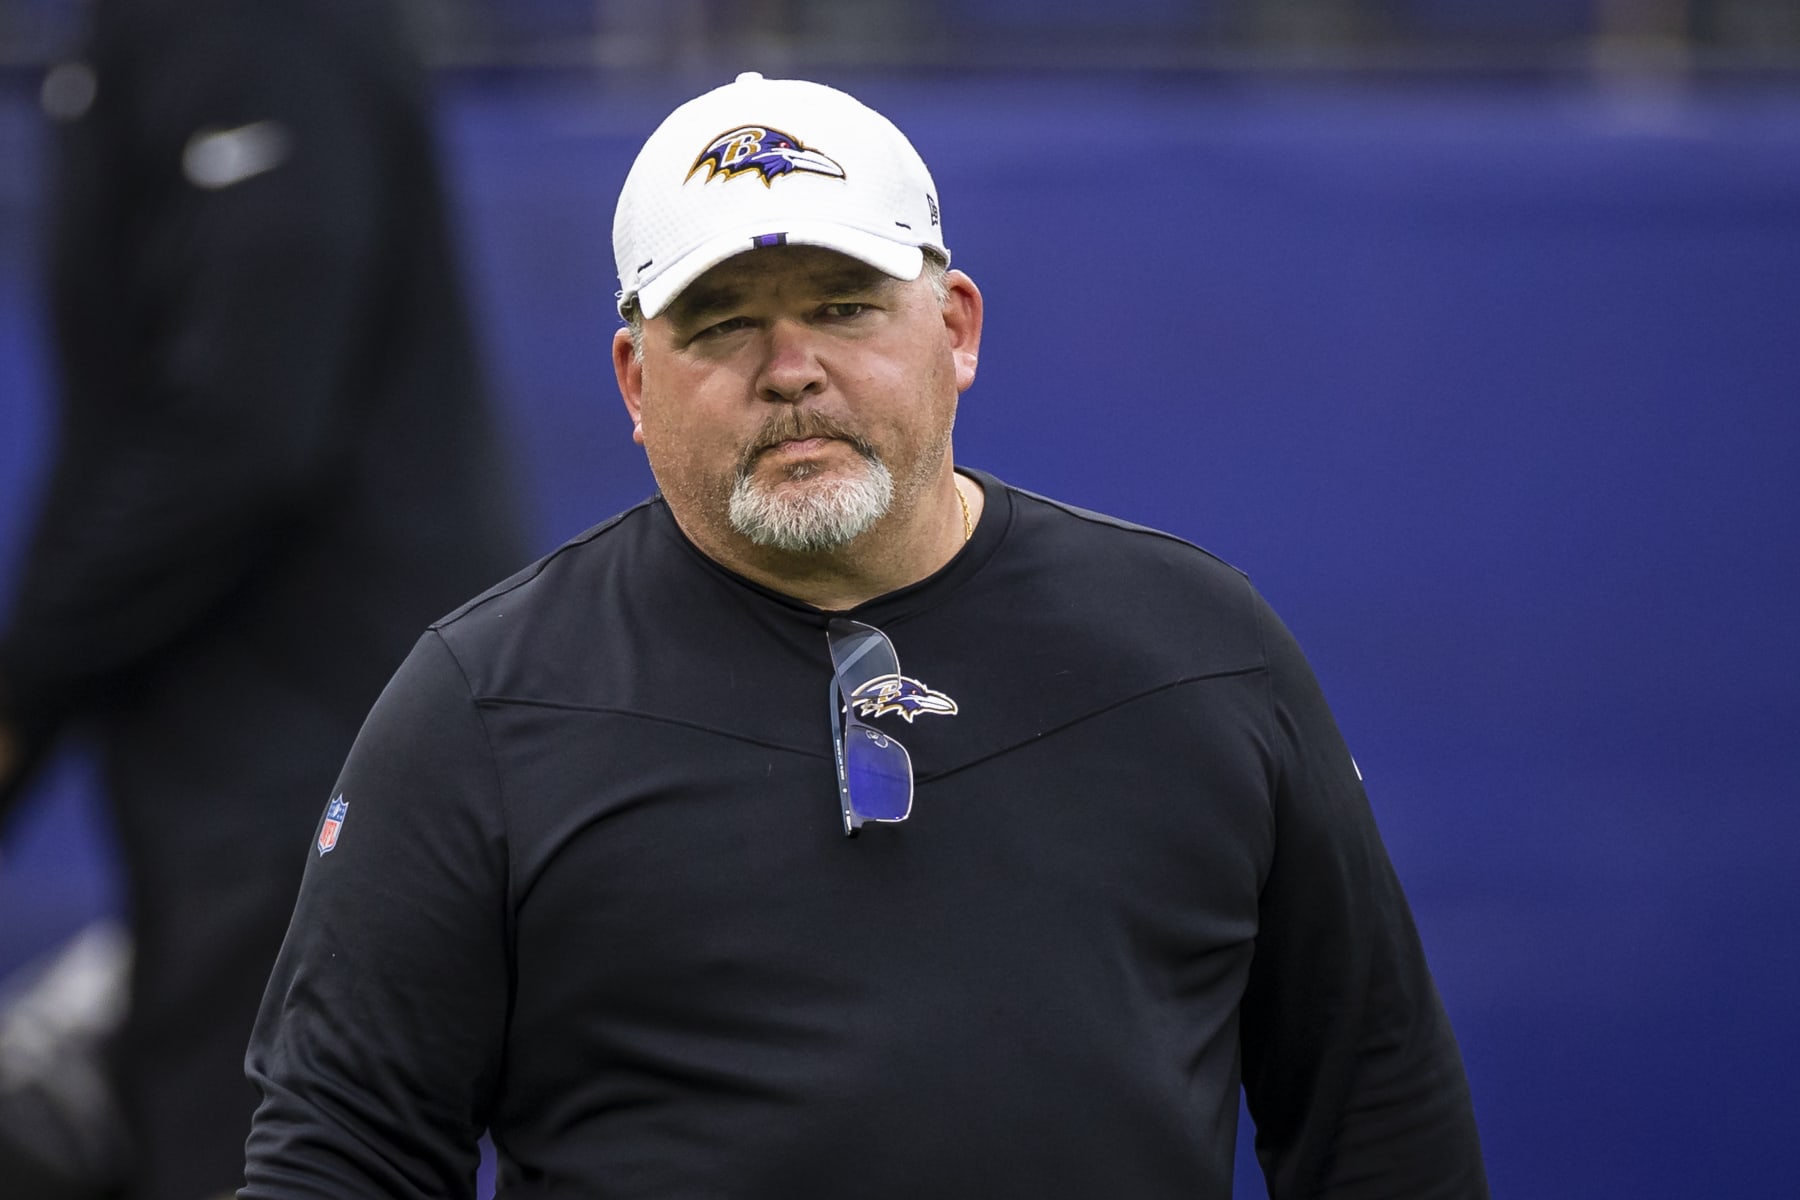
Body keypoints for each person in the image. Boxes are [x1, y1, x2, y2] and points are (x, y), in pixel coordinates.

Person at [241, 72, 1488, 1198]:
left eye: (844, 305)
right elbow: (343, 1162)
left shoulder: (1201, 650)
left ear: (954, 328)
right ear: (633, 380)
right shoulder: (484, 705)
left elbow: (1381, 1127)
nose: (790, 369)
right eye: (722, 322)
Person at [0, 1, 526, 1197]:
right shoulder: (135, 40)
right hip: (222, 774)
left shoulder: (267, 25)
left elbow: (239, 429)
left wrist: (25, 686)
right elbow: (135, 438)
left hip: (327, 768)